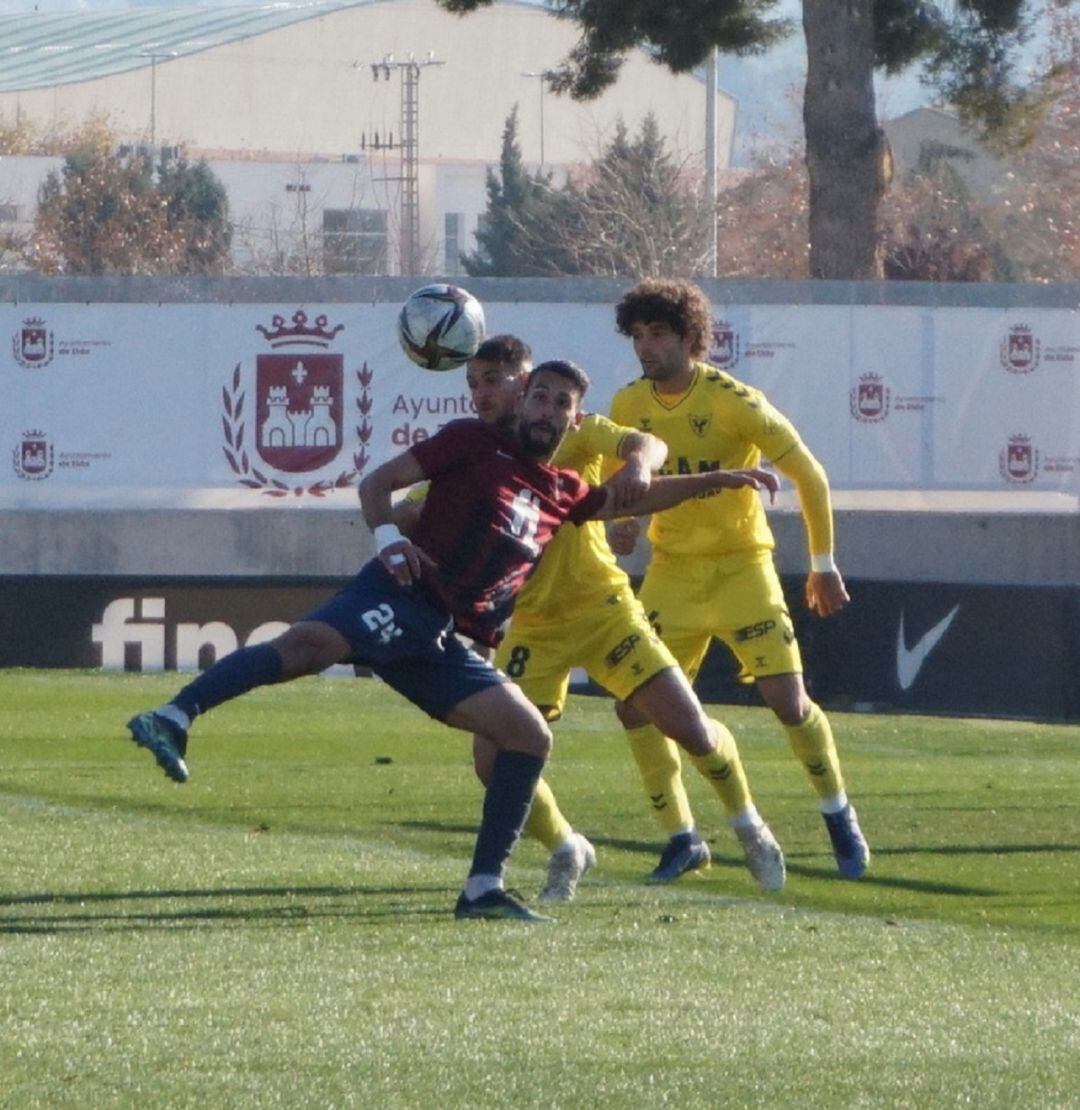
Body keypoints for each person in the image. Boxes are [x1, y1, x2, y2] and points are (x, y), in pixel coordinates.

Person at [126, 358, 780, 922]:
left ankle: (483, 887)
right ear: (522, 400)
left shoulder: (560, 490)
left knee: (527, 737)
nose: (547, 409)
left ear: (574, 423)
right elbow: (376, 483)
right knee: (306, 648)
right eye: (540, 396)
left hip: (446, 639)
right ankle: (175, 715)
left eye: (562, 404)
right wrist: (391, 542)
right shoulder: (472, 442)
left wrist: (718, 481)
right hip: (402, 596)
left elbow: (629, 501)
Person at [449, 336, 787, 899]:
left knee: (690, 728)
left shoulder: (575, 432)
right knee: (491, 758)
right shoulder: (474, 451)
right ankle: (565, 847)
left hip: (605, 611)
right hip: (532, 626)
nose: (484, 393)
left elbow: (648, 445)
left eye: (494, 381)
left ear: (524, 383)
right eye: (475, 384)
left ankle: (749, 825)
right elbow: (420, 504)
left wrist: (635, 466)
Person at [608, 277, 870, 880]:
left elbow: (809, 473)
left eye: (659, 334)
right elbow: (612, 485)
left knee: (787, 701)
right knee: (633, 708)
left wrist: (822, 564)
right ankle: (681, 837)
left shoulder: (731, 399)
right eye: (638, 335)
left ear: (690, 338)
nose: (646, 347)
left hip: (741, 569)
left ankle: (836, 811)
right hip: (672, 573)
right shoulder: (627, 407)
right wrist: (623, 525)